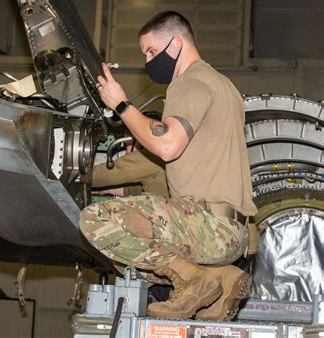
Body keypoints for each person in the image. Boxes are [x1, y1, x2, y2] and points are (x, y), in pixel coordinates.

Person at [79, 11, 257, 321]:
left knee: (96, 221)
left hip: (208, 225)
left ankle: (193, 279)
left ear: (175, 43)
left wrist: (121, 105)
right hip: (233, 233)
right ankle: (221, 278)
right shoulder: (224, 85)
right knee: (130, 255)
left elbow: (167, 145)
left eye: (150, 51)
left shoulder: (189, 82)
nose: (148, 60)